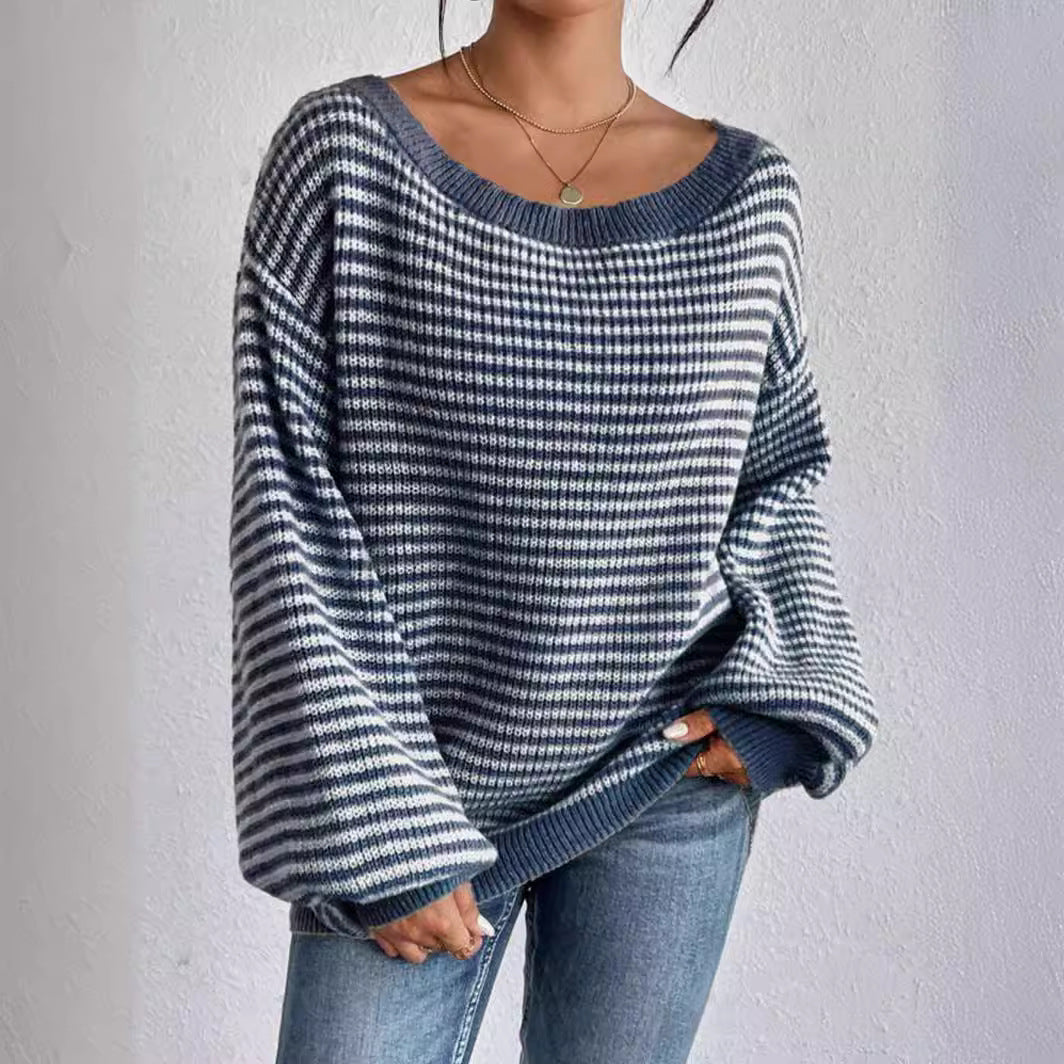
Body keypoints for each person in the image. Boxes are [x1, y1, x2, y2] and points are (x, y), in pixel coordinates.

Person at [228, 6, 879, 1062]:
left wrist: (782, 703)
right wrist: (375, 823)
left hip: (660, 779)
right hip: (401, 786)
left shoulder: (751, 194)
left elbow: (779, 474)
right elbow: (287, 497)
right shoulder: (344, 154)